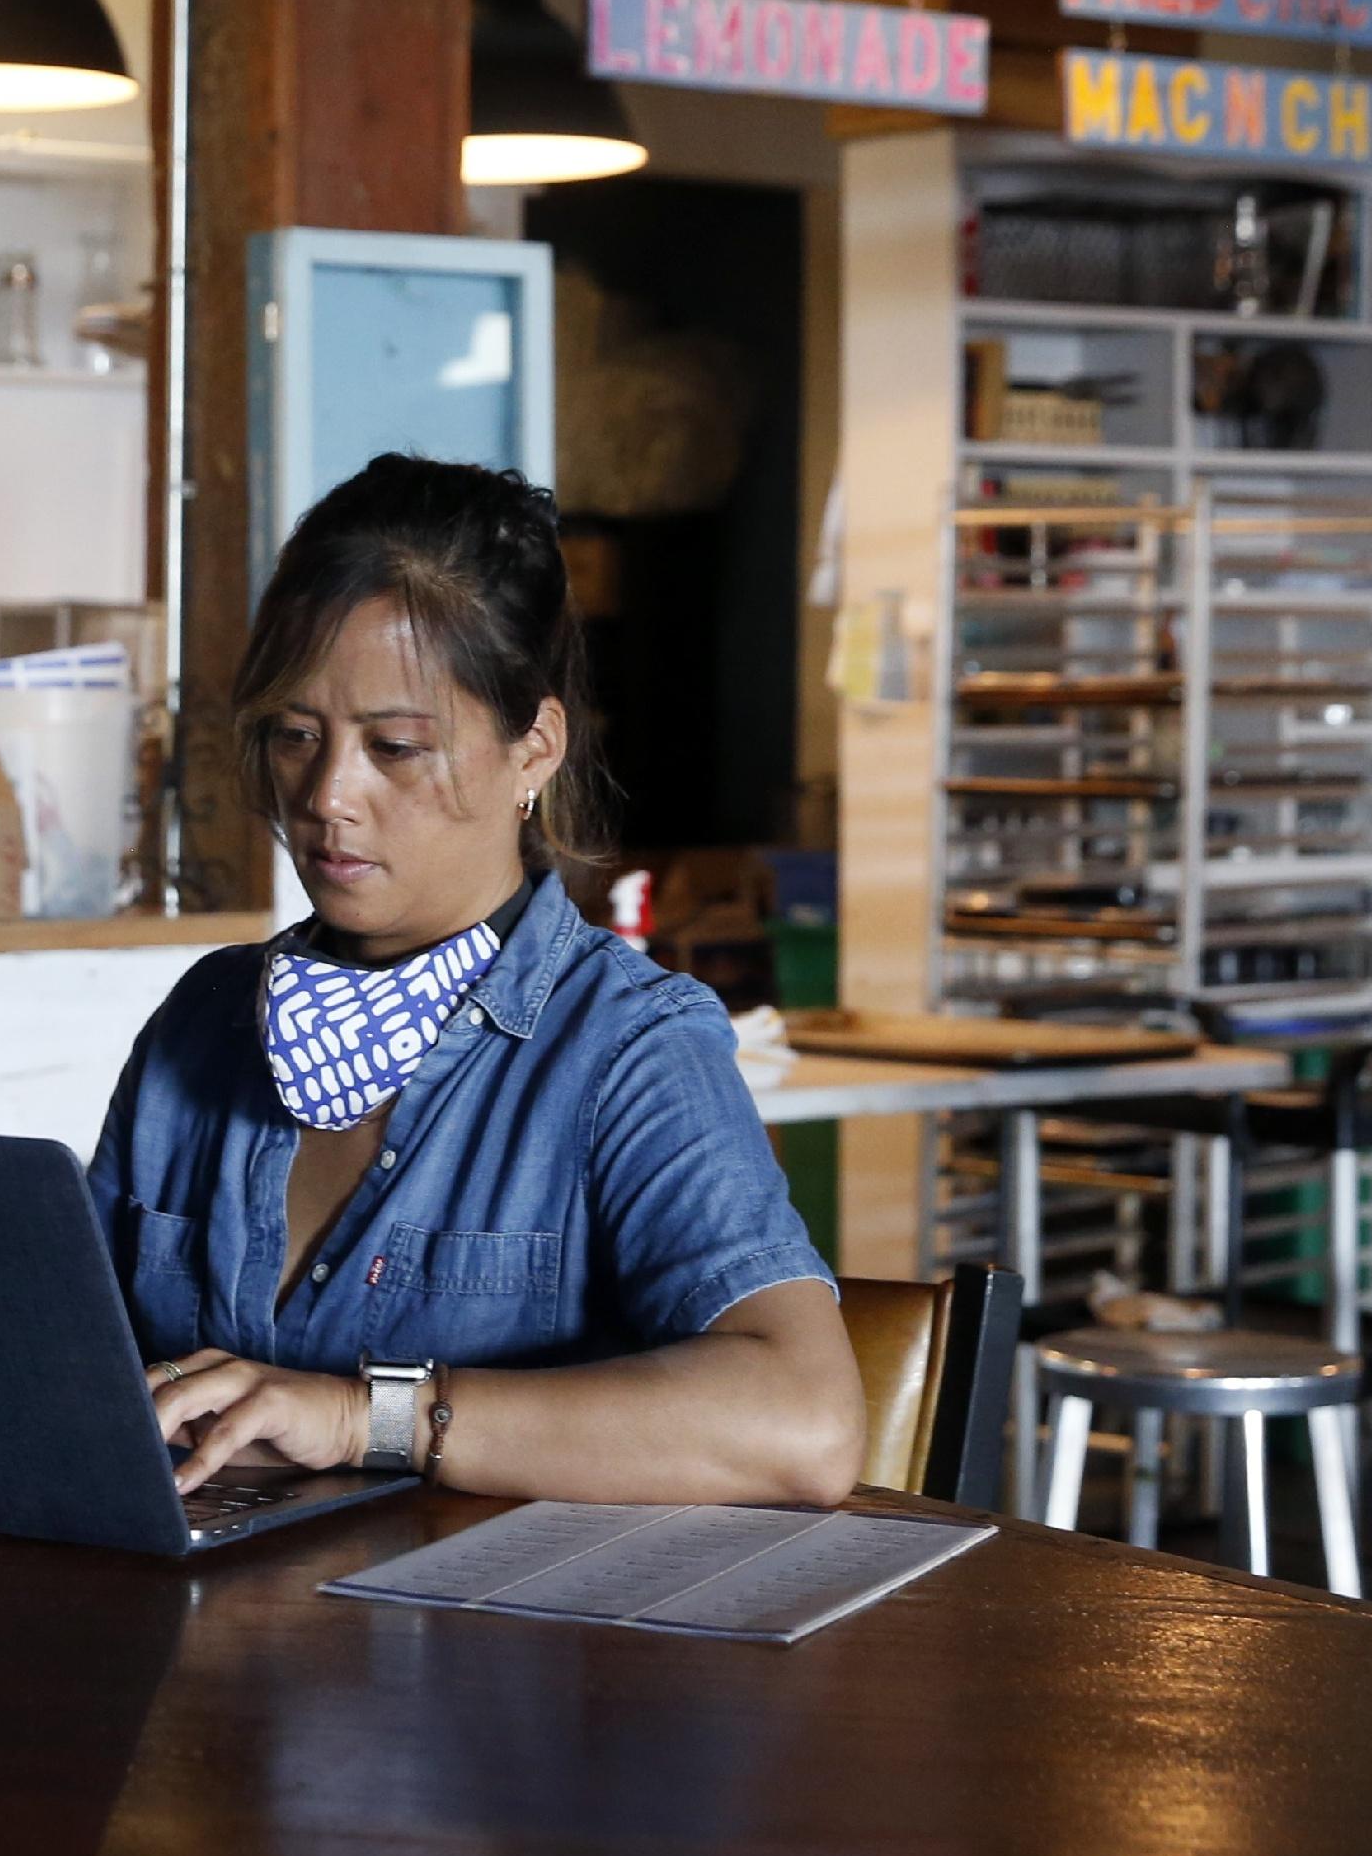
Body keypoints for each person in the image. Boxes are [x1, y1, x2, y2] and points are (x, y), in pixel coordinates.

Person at [89, 452, 864, 1505]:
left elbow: (803, 1427)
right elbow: (80, 1364)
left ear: (533, 748)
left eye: (396, 747)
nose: (328, 796)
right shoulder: (205, 1022)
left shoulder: (624, 1048)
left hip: (488, 1657)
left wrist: (366, 1417)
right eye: (292, 736)